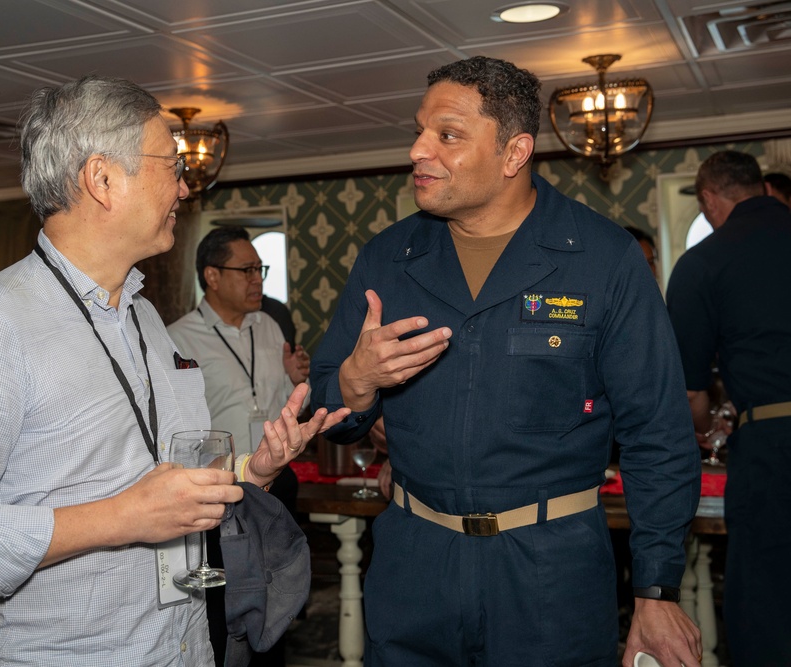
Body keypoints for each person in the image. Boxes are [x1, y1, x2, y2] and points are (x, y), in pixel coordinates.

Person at [0, 76, 347, 666]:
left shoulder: (146, 317)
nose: (184, 187)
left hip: (182, 646)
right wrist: (118, 518)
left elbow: (157, 474)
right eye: (170, 165)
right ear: (101, 179)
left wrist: (248, 471)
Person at [310, 56, 702, 667]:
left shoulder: (601, 258)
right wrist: (355, 384)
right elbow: (322, 407)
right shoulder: (389, 260)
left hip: (550, 573)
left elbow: (658, 430)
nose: (417, 149)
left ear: (515, 152)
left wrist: (656, 587)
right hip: (415, 567)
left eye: (447, 134)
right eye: (418, 130)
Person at [666, 150, 791, 666]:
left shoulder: (705, 261)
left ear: (709, 200)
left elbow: (689, 391)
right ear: (762, 189)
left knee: (766, 601)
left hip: (773, 447)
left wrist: (703, 431)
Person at [168, 226, 309, 666]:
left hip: (274, 486)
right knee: (226, 611)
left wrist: (296, 378)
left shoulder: (269, 326)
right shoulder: (177, 338)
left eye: (259, 269)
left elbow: (277, 399)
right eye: (246, 269)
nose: (257, 279)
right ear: (211, 276)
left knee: (277, 600)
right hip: (221, 494)